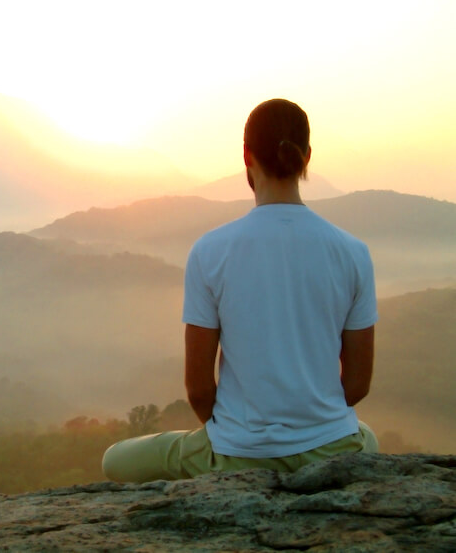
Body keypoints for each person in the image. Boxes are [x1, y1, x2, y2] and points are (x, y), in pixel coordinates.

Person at [103, 98, 379, 483]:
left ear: (247, 156)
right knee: (368, 438)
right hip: (331, 448)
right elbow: (357, 384)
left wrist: (237, 435)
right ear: (308, 157)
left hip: (235, 455)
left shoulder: (211, 250)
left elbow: (199, 388)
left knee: (114, 460)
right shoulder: (353, 252)